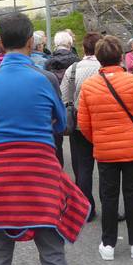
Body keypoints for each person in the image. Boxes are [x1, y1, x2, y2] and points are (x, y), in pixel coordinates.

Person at [0, 13, 90, 265]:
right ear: (30, 42)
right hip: (42, 174)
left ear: (1, 43)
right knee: (52, 255)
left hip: (1, 176)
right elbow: (61, 124)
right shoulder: (45, 79)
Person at [77, 35, 133, 261]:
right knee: (132, 194)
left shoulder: (89, 86)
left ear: (98, 58)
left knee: (108, 195)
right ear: (121, 57)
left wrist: (99, 139)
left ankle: (108, 243)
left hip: (104, 150)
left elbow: (84, 124)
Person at [60, 31, 102, 222]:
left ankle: (87, 208)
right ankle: (109, 207)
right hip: (103, 125)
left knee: (83, 169)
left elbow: (64, 97)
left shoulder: (73, 69)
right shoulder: (104, 67)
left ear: (84, 48)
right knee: (106, 170)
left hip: (79, 125)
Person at [45, 30, 80, 166]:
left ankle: (59, 171)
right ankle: (78, 177)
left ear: (55, 44)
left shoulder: (48, 62)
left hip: (55, 103)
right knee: (76, 144)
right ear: (70, 44)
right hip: (73, 103)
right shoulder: (76, 61)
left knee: (56, 140)